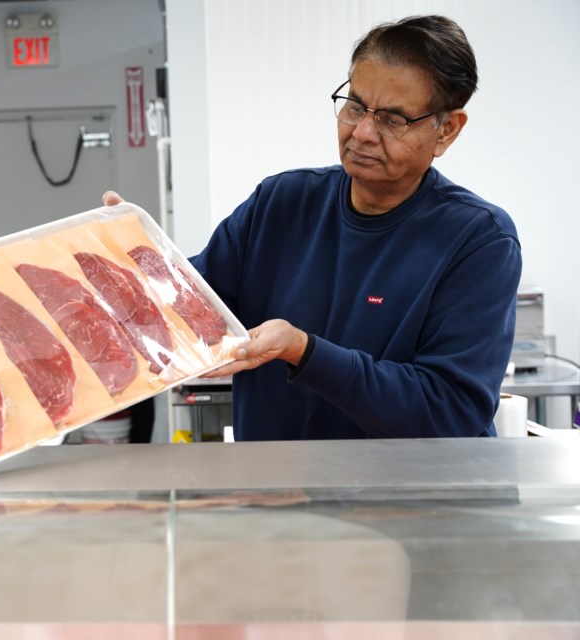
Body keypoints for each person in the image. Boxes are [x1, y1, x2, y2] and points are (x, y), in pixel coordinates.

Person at [105, 15, 521, 440]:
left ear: (446, 130)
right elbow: (191, 308)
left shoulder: (478, 239)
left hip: (406, 500)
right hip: (278, 491)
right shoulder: (280, 203)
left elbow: (450, 414)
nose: (361, 133)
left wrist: (304, 352)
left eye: (393, 120)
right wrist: (137, 259)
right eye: (356, 106)